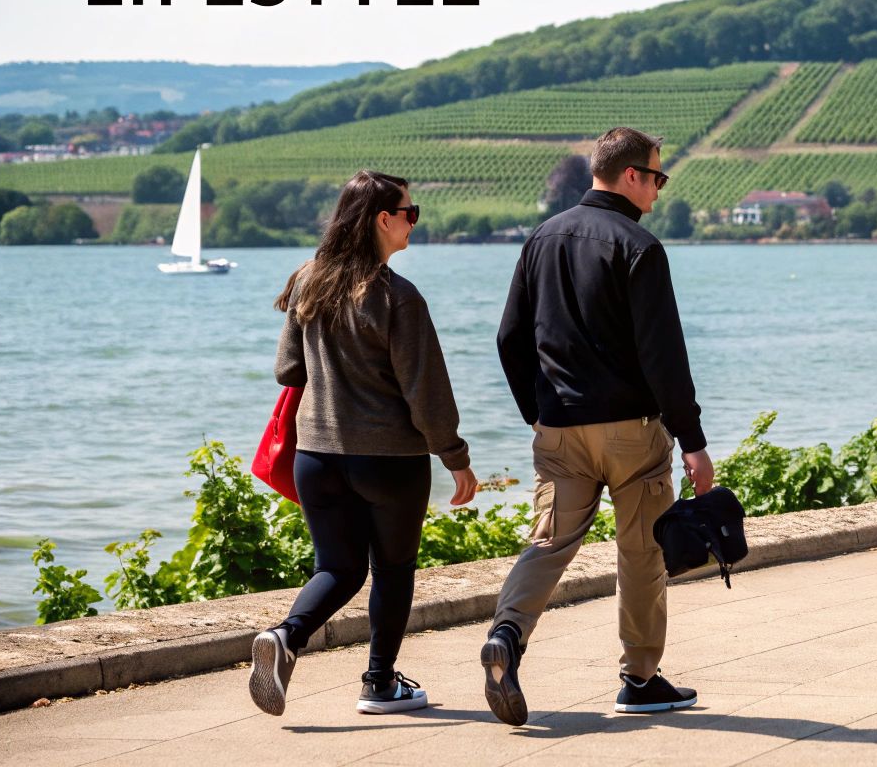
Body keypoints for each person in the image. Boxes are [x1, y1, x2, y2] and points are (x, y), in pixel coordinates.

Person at [481, 127, 714, 726]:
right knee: (641, 550)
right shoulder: (639, 246)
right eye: (657, 177)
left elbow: (510, 338)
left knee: (550, 541)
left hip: (558, 428)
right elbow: (665, 355)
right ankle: (639, 679)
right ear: (631, 175)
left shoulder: (540, 239)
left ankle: (507, 636)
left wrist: (536, 409)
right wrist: (693, 441)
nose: (660, 190)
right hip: (632, 431)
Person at [250, 170, 478, 718]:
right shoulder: (397, 296)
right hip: (389, 461)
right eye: (409, 212)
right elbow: (427, 393)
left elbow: (287, 369)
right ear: (383, 219)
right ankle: (379, 684)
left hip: (316, 457)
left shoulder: (308, 280)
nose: (413, 222)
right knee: (393, 570)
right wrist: (457, 458)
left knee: (339, 568)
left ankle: (286, 637)